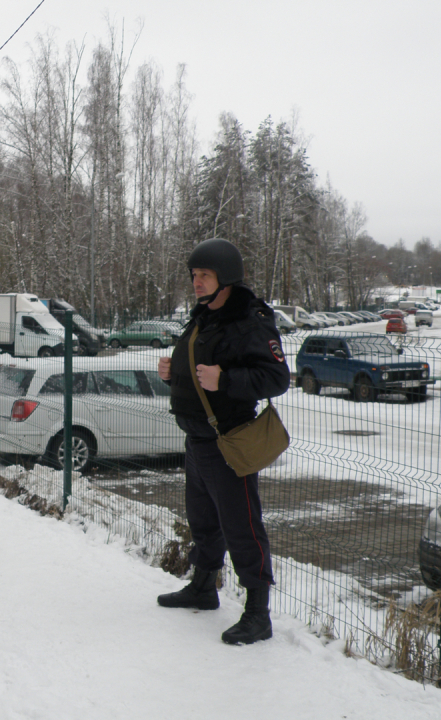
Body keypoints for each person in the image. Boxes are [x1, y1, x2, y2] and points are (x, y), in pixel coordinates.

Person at [156, 237, 290, 645]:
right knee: (203, 522)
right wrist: (172, 373)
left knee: (242, 528)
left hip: (228, 441)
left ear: (225, 278)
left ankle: (257, 613)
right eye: (194, 276)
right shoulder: (202, 316)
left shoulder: (249, 320)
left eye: (204, 276)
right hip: (196, 440)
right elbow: (199, 369)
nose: (196, 283)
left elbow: (276, 378)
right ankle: (202, 586)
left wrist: (226, 380)